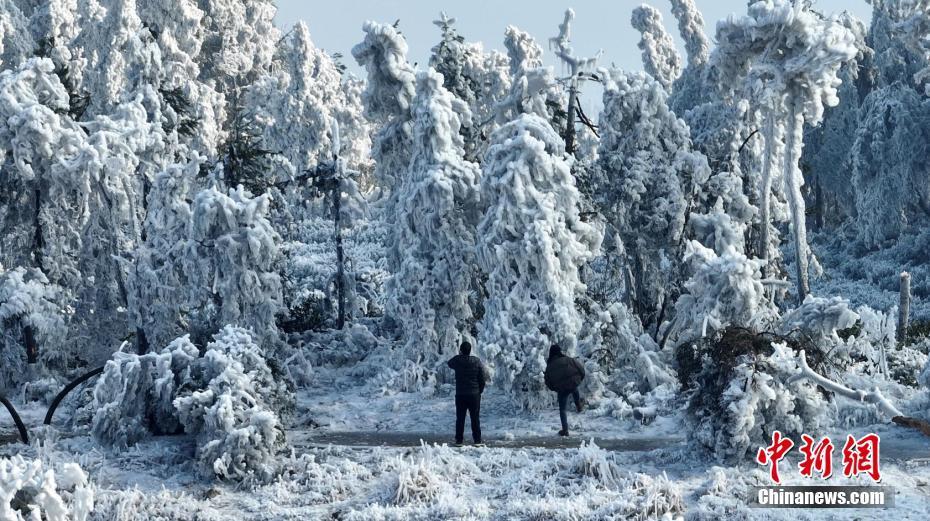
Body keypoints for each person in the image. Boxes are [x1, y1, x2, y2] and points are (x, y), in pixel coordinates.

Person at [446, 341, 487, 446]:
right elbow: (482, 378)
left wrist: (459, 355)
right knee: (475, 418)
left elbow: (449, 363)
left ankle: (459, 440)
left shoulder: (457, 360)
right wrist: (479, 391)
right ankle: (477, 440)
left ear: (461, 350)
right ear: (470, 350)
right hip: (474, 394)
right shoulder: (476, 361)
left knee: (460, 418)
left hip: (460, 394)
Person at [544, 344, 585, 436]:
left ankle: (565, 430)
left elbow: (548, 382)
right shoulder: (568, 359)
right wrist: (580, 378)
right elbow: (580, 368)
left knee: (562, 410)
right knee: (574, 388)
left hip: (561, 389)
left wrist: (556, 388)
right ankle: (579, 406)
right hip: (573, 383)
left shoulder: (549, 366)